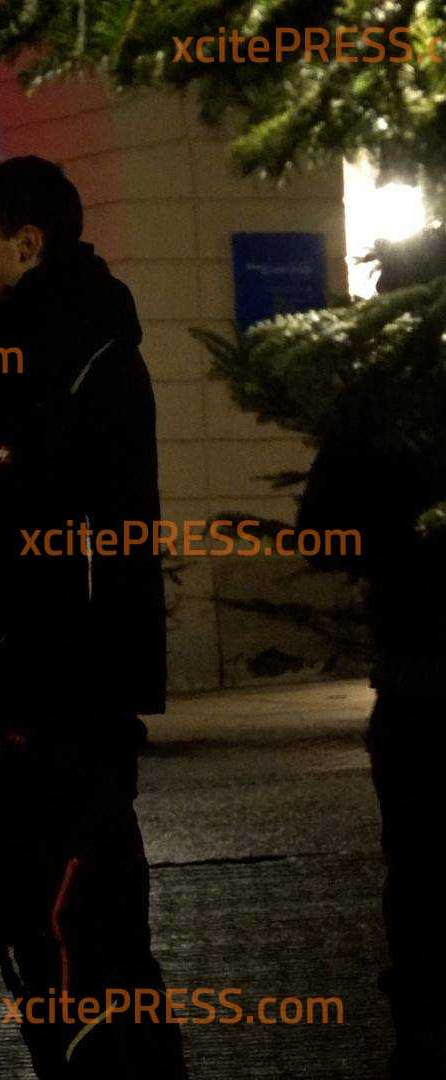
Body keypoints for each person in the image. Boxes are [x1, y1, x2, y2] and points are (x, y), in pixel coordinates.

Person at [0, 157, 183, 1077]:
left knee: (76, 936)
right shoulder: (44, 350)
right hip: (53, 706)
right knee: (68, 937)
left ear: (27, 244)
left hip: (58, 714)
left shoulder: (70, 362)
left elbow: (59, 547)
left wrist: (19, 678)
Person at [296, 255, 446, 1080]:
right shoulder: (377, 408)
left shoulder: (375, 407)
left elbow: (322, 531)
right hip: (417, 683)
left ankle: (422, 1039)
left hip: (417, 684)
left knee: (419, 882)